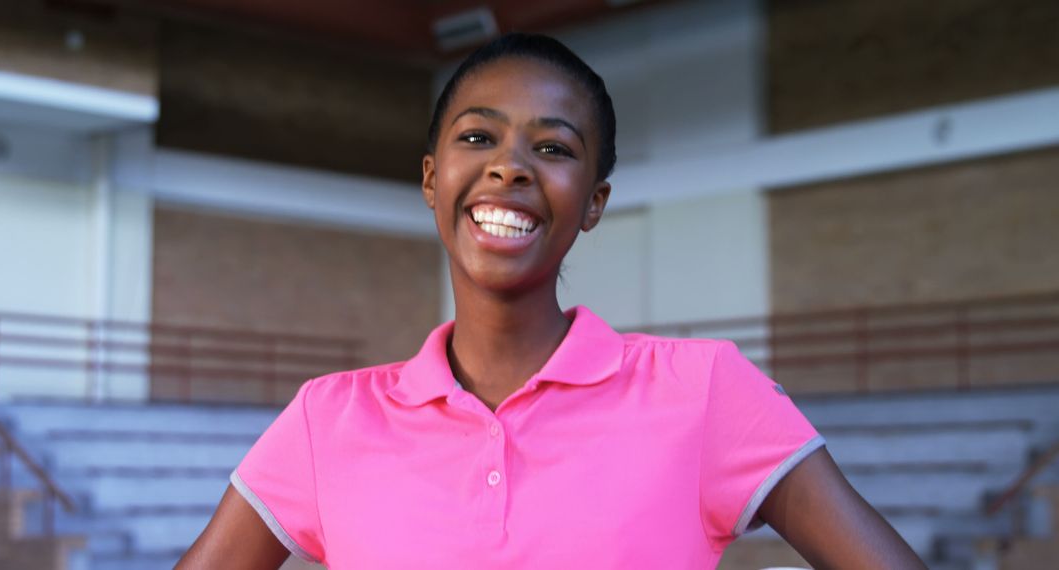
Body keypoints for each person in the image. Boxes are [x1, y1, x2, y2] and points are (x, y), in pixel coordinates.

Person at [177, 33, 925, 569]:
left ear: (593, 202)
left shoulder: (704, 390)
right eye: (479, 137)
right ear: (433, 178)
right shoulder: (325, 419)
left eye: (554, 148)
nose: (510, 169)